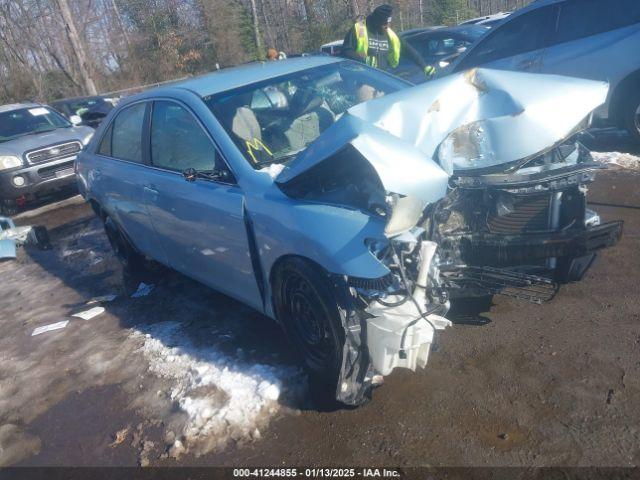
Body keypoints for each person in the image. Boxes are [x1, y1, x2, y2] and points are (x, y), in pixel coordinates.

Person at [341, 4, 436, 78]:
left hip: (384, 79)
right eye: (384, 24)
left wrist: (424, 66)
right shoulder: (360, 29)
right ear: (376, 21)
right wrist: (363, 60)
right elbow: (346, 50)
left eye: (388, 23)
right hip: (362, 79)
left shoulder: (390, 35)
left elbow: (409, 51)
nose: (387, 26)